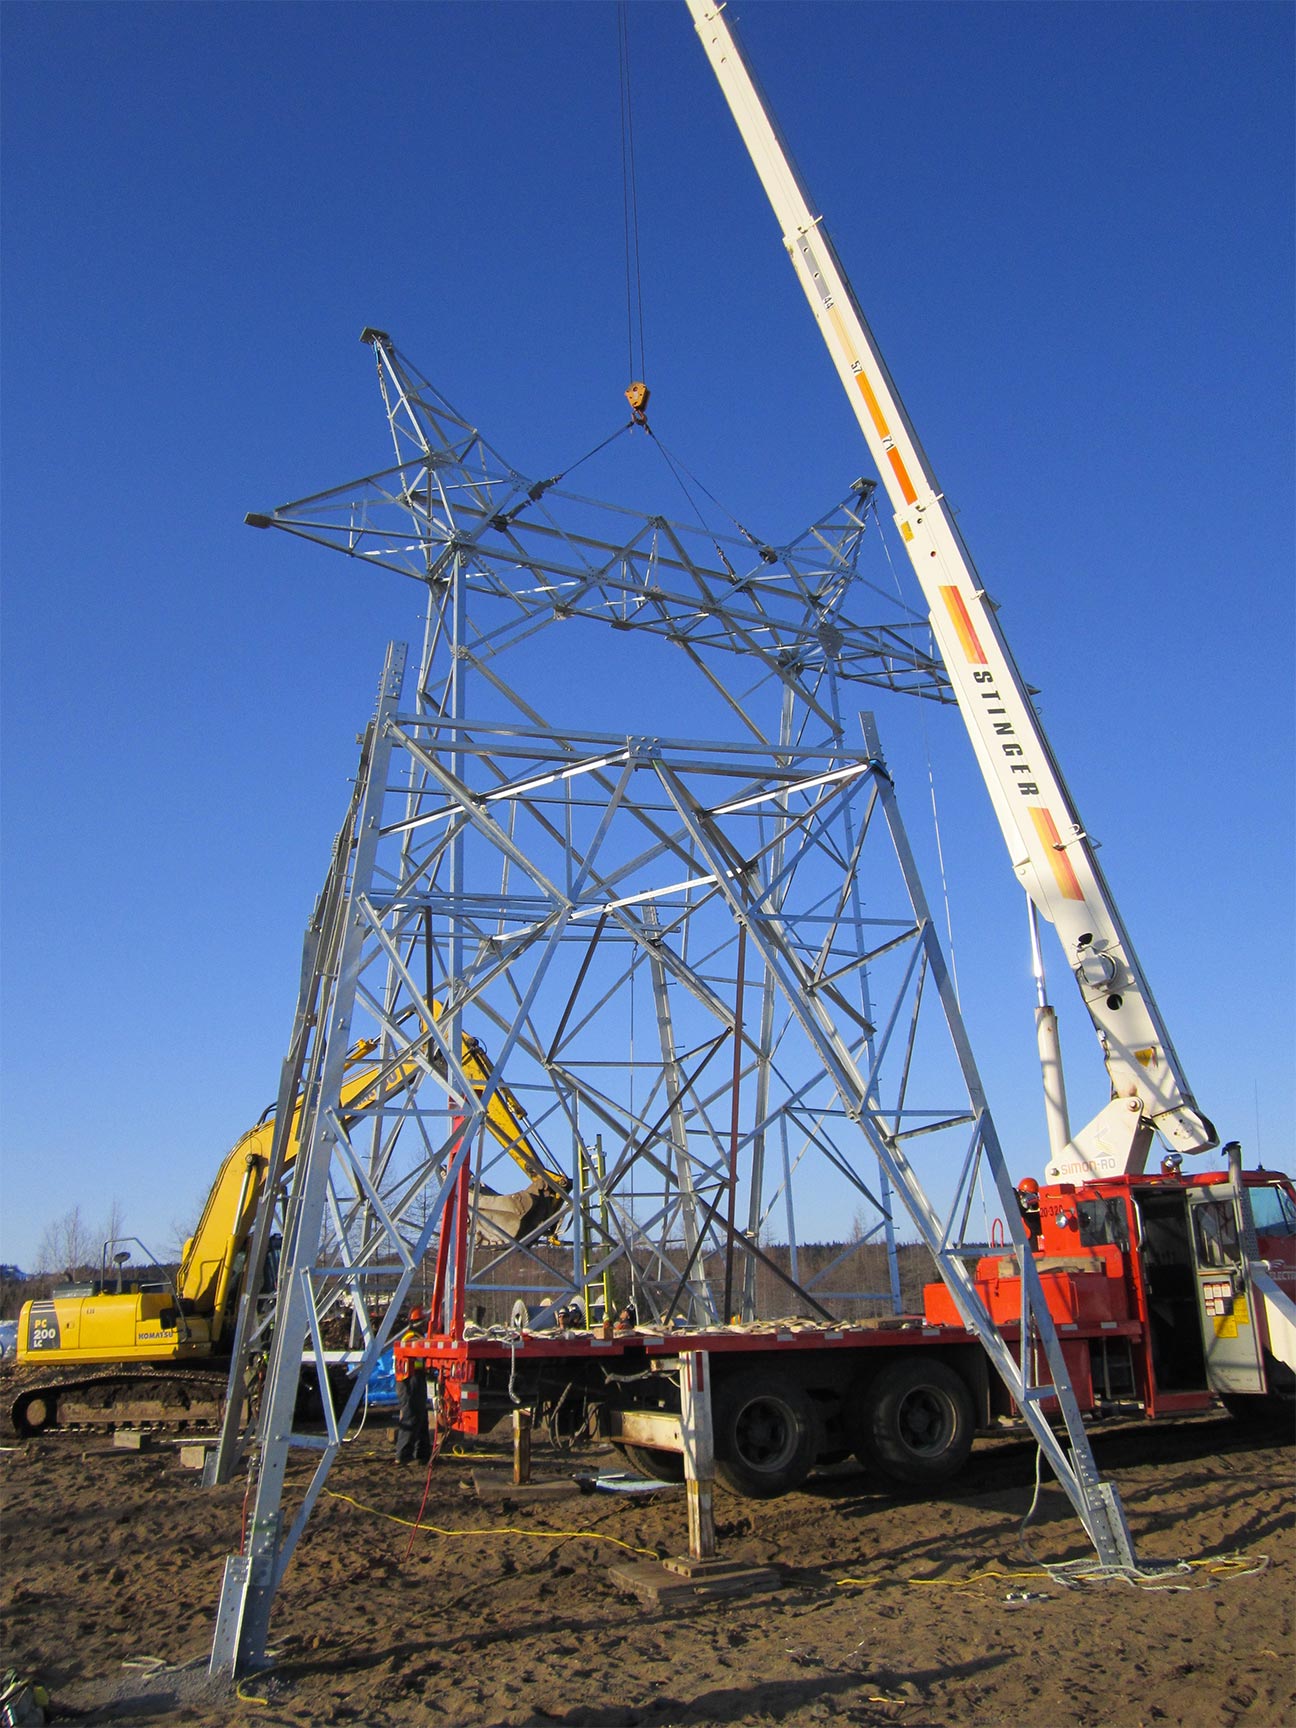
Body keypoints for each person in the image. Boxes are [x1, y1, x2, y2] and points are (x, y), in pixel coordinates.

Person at [394, 1306, 432, 1464]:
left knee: (421, 1417)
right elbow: (424, 1348)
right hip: (409, 1381)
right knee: (411, 1417)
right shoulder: (411, 1338)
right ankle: (403, 1456)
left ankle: (422, 1454)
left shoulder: (415, 1336)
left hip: (416, 1379)